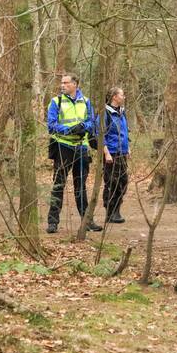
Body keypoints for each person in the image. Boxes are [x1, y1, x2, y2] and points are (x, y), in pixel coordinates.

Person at [46, 73, 102, 234]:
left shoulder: (86, 101)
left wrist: (84, 126)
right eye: (61, 82)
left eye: (66, 82)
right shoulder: (56, 102)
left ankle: (87, 222)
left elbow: (92, 122)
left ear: (75, 84)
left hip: (82, 148)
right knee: (58, 185)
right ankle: (52, 222)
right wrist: (69, 129)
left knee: (81, 187)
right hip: (63, 147)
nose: (62, 85)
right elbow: (51, 125)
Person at [101, 86, 130, 224]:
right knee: (112, 182)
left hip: (122, 153)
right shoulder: (105, 113)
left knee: (123, 182)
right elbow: (101, 135)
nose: (123, 97)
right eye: (122, 95)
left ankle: (117, 210)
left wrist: (127, 148)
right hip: (111, 153)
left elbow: (125, 132)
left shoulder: (122, 112)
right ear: (114, 97)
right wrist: (106, 153)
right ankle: (110, 212)